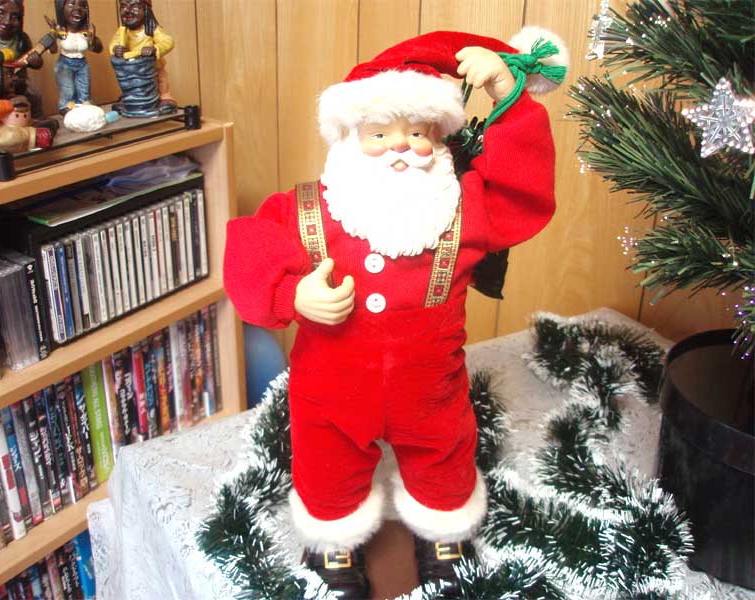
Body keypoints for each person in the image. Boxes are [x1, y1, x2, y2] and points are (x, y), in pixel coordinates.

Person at [224, 30, 564, 598]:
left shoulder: (462, 206)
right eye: (379, 133)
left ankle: (443, 532)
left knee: (444, 456)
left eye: (418, 133)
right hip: (330, 390)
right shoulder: (307, 208)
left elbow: (522, 189)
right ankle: (333, 537)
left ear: (440, 137)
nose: (400, 147)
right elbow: (248, 248)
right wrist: (291, 295)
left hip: (430, 389)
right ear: (349, 135)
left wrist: (509, 97)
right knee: (326, 461)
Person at [0, 51, 58, 153]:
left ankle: (37, 131)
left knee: (22, 127)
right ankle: (36, 136)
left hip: (4, 127)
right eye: (8, 76)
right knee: (12, 136)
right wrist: (11, 103)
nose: (14, 78)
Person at [109, 0, 176, 112]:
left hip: (153, 68)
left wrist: (154, 49)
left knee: (161, 80)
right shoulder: (123, 32)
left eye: (134, 7)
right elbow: (114, 43)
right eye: (123, 7)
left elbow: (168, 42)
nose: (128, 11)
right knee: (129, 85)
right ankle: (128, 100)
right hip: (131, 69)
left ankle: (165, 98)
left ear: (146, 10)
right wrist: (116, 48)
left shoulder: (152, 29)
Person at [46, 0, 103, 115]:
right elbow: (53, 50)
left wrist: (93, 39)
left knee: (84, 90)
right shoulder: (60, 30)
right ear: (62, 8)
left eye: (82, 5)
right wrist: (52, 31)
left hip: (82, 64)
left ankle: (84, 109)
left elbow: (97, 49)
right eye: (72, 4)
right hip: (64, 64)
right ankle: (68, 110)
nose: (77, 8)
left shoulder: (86, 30)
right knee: (68, 90)